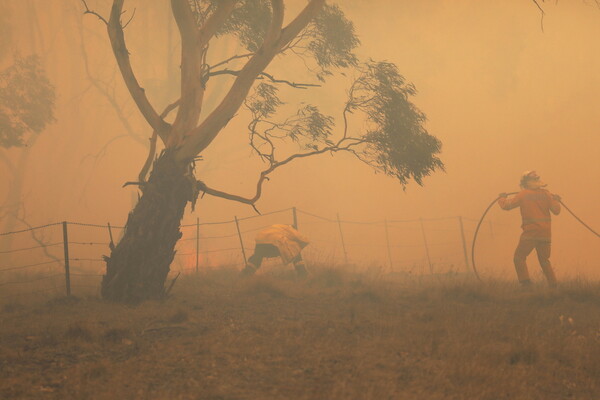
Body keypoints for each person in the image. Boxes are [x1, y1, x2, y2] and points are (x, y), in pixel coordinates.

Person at [498, 171, 561, 287]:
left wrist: (501, 198)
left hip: (531, 233)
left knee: (519, 257)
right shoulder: (547, 194)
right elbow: (557, 211)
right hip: (545, 234)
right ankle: (553, 286)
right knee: (544, 261)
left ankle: (526, 284)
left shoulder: (523, 194)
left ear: (525, 182)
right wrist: (556, 200)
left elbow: (507, 206)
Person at [241, 224, 310, 278]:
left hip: (260, 241)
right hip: (274, 242)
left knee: (257, 257)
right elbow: (300, 238)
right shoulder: (290, 229)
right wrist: (303, 243)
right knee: (296, 254)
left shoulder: (278, 226)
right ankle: (302, 273)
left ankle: (245, 274)